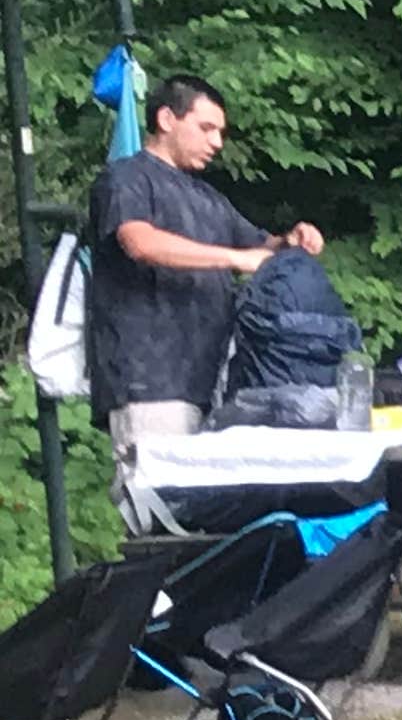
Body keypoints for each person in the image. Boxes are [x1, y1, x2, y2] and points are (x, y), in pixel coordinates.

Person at [85, 75, 327, 464]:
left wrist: (290, 241)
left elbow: (259, 246)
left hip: (214, 386)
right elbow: (138, 242)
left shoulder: (208, 197)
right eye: (206, 128)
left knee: (205, 516)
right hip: (149, 382)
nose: (217, 142)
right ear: (166, 119)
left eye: (220, 132)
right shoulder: (126, 177)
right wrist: (234, 259)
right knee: (161, 511)